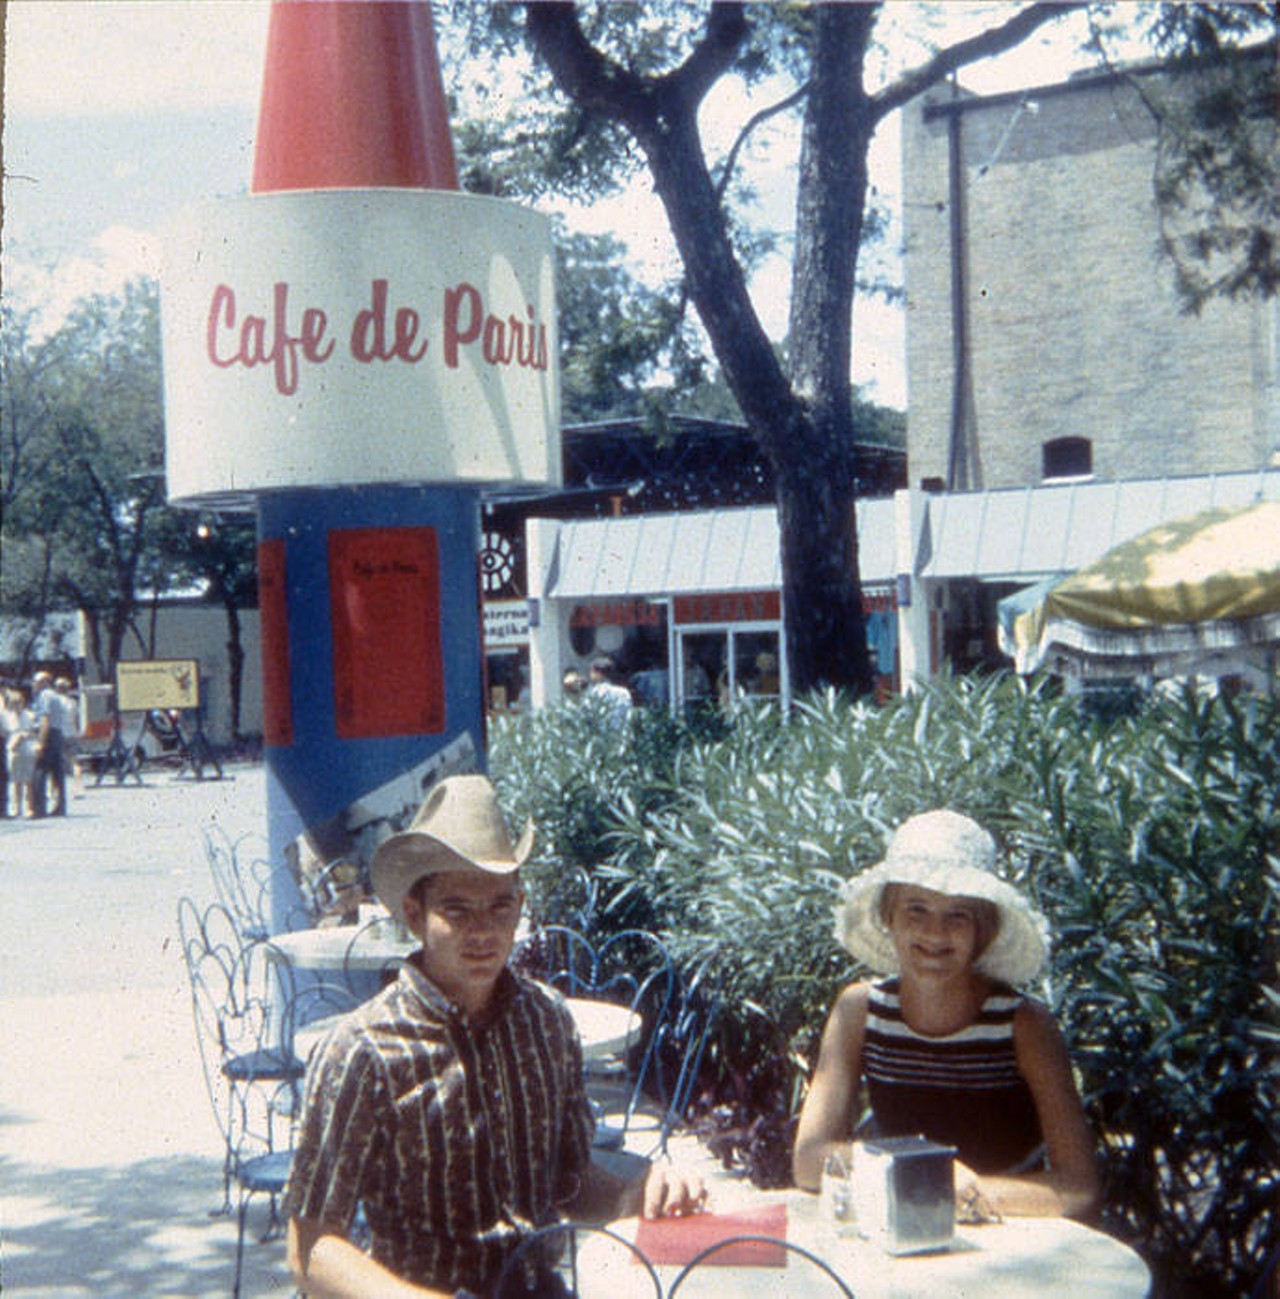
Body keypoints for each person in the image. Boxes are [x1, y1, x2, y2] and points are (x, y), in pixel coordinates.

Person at [286, 774, 705, 1298]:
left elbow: (569, 1180)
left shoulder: (546, 1022)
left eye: (500, 907)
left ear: (520, 907)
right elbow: (309, 1248)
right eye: (457, 910)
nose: (482, 932)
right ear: (415, 915)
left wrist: (637, 1194)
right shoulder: (363, 1050)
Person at [793, 809, 1100, 1222]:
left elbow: (1079, 1188)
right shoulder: (859, 1011)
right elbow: (809, 1160)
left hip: (1011, 1238)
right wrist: (922, 1173)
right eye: (916, 909)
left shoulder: (1024, 1024)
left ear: (983, 930)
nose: (935, 933)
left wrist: (959, 1190)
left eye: (958, 915)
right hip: (905, 1225)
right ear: (889, 916)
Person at [29, 671, 66, 818]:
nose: (33, 684)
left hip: (48, 734)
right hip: (57, 734)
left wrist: (40, 742)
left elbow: (45, 719)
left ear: (44, 682)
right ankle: (60, 806)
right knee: (57, 773)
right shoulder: (56, 696)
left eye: (35, 681)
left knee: (39, 771)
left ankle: (38, 809)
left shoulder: (45, 696)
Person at [587, 656, 632, 730]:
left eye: (591, 671)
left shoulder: (594, 693)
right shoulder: (624, 692)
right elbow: (628, 716)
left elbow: (588, 716)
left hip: (602, 736)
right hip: (620, 735)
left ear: (598, 673)